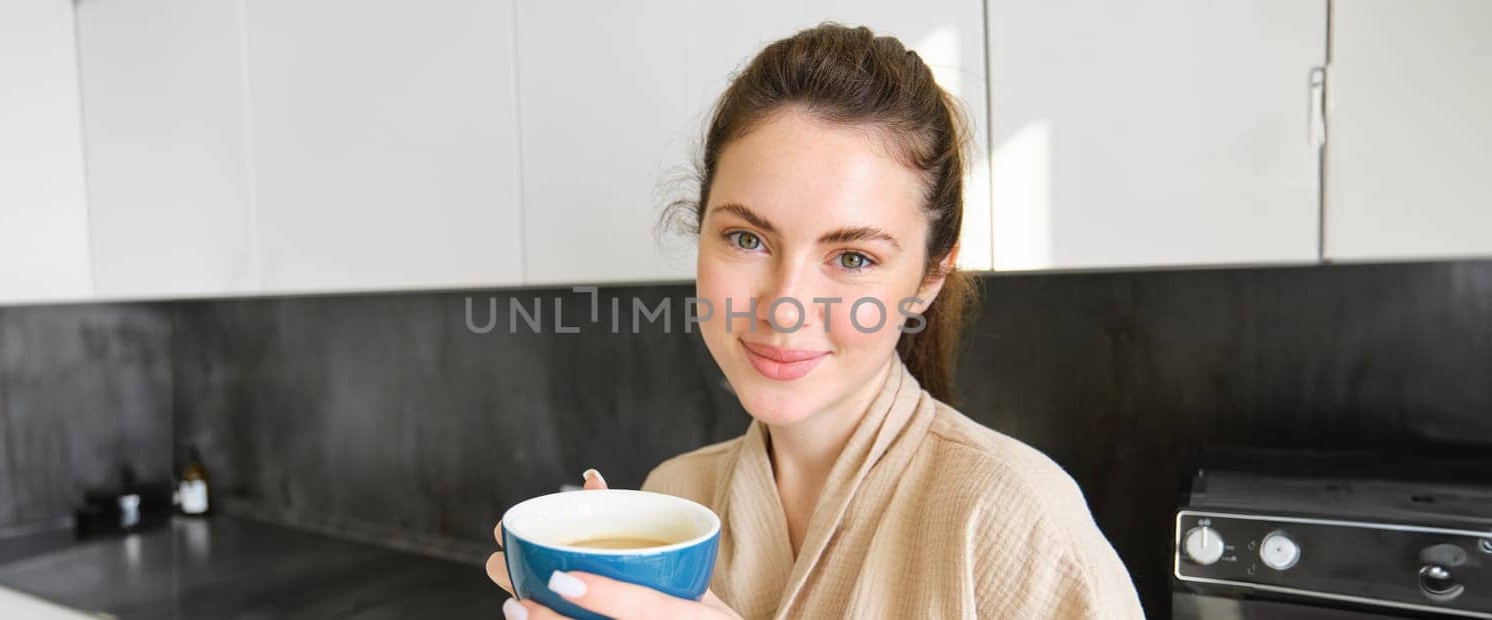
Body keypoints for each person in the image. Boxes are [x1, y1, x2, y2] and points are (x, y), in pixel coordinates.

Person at [487, 22, 1144, 619]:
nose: (784, 305)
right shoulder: (676, 497)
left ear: (927, 279)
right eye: (747, 239)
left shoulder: (1014, 519)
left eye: (852, 257)